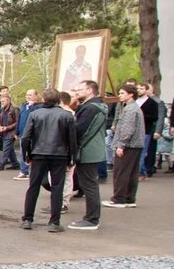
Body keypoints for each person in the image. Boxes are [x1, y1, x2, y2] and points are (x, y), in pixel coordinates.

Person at [19, 88, 77, 232]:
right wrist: (72, 159)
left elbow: (26, 137)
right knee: (57, 188)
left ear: (44, 99)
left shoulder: (35, 114)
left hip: (38, 153)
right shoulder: (67, 116)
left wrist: (27, 154)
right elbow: (72, 140)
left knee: (33, 187)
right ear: (58, 100)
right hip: (60, 155)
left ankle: (28, 219)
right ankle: (54, 222)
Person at [66, 81, 107, 230]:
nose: (77, 92)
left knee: (89, 185)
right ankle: (92, 217)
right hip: (92, 149)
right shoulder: (97, 106)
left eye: (80, 89)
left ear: (90, 90)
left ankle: (91, 219)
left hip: (87, 150)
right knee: (89, 184)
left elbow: (79, 129)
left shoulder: (90, 108)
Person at [104, 84, 145, 208]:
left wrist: (121, 145)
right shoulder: (134, 108)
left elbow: (128, 129)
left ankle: (119, 198)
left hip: (128, 145)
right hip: (135, 145)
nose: (120, 96)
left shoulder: (130, 109)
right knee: (132, 173)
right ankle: (129, 198)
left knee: (121, 172)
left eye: (122, 93)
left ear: (131, 94)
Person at [13, 89, 39, 180]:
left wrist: (32, 106)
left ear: (36, 96)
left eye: (30, 95)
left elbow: (35, 118)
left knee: (31, 154)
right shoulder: (23, 106)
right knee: (22, 153)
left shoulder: (38, 107)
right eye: (27, 95)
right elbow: (19, 120)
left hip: (32, 135)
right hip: (22, 133)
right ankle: (24, 171)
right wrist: (16, 132)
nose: (28, 97)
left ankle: (31, 172)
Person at [0, 95, 20, 171]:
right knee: (10, 149)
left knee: (5, 148)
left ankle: (1, 164)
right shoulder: (2, 110)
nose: (2, 103)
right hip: (4, 132)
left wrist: (7, 128)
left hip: (11, 132)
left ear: (8, 101)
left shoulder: (14, 110)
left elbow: (17, 122)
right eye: (1, 101)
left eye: (3, 101)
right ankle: (15, 164)